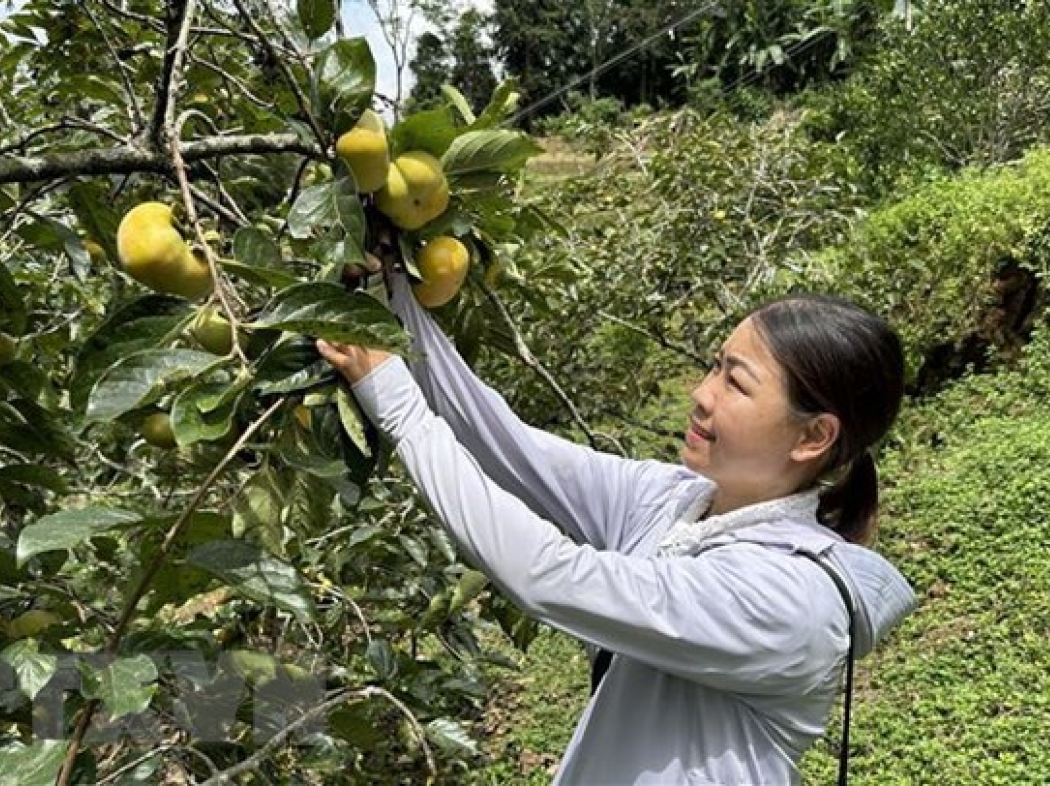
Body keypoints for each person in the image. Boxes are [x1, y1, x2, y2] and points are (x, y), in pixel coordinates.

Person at [316, 269, 916, 785]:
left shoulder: (788, 601)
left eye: (736, 382)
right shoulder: (674, 501)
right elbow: (507, 447)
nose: (702, 394)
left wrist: (393, 400)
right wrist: (391, 287)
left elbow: (546, 574)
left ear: (813, 437)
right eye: (714, 366)